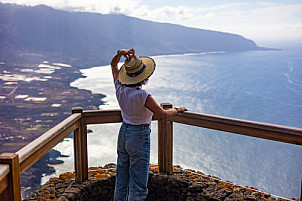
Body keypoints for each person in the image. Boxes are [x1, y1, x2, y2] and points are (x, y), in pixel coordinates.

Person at [110, 48, 187, 201]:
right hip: (139, 135)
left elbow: (113, 66)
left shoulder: (119, 87)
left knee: (122, 179)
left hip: (124, 133)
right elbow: (163, 114)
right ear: (142, 76)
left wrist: (120, 53)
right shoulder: (142, 95)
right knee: (138, 184)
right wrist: (178, 109)